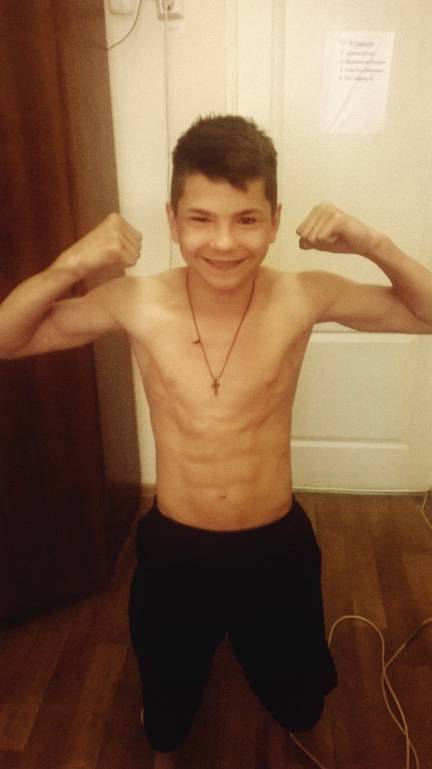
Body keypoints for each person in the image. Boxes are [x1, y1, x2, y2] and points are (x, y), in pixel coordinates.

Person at [1, 115, 432, 766]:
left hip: (275, 545)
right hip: (175, 549)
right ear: (172, 221)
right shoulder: (136, 301)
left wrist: (372, 242)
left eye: (246, 219)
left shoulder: (304, 294)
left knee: (300, 703)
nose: (224, 242)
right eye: (201, 219)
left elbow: (425, 314)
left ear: (276, 219)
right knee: (167, 713)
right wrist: (71, 264)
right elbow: (8, 339)